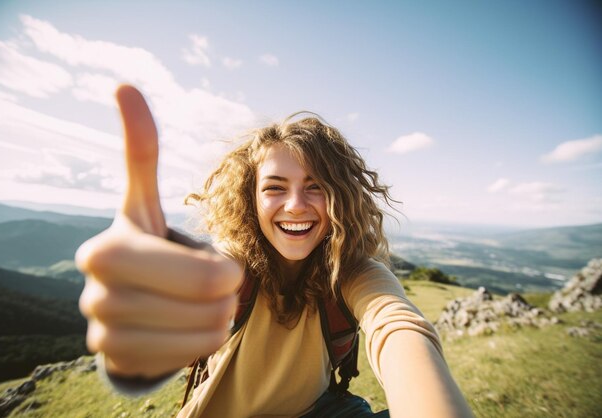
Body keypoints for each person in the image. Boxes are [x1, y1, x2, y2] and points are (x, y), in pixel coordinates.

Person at [76, 85, 474, 417]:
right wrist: (151, 297)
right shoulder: (235, 261)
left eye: (316, 185)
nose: (296, 204)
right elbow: (214, 272)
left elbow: (398, 325)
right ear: (250, 199)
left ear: (341, 195)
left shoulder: (352, 269)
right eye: (275, 187)